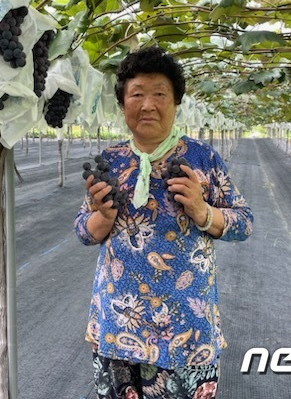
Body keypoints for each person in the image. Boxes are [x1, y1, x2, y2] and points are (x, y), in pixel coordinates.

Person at [74, 46, 253, 399]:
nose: (148, 105)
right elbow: (82, 231)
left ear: (175, 103)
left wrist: (204, 212)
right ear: (123, 104)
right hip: (118, 323)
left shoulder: (202, 158)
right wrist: (103, 216)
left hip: (186, 327)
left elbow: (244, 222)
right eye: (136, 94)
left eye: (159, 94)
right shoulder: (110, 161)